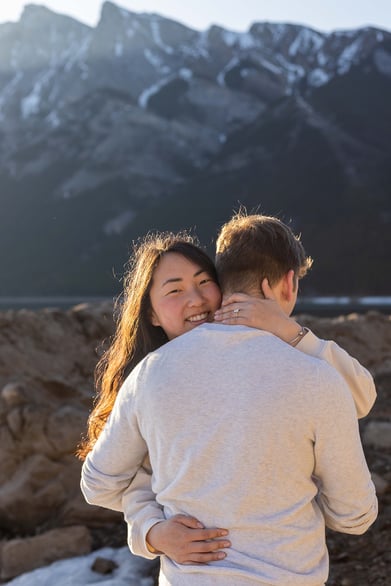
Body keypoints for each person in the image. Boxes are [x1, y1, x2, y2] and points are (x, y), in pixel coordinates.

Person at [80, 214, 377, 585]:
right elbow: (354, 515)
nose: (196, 299)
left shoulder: (149, 374)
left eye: (204, 283)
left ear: (223, 282)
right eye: (174, 290)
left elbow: (99, 484)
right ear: (289, 282)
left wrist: (150, 526)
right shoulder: (316, 377)